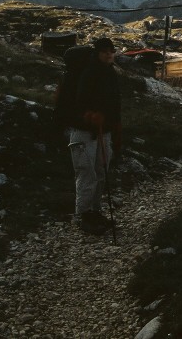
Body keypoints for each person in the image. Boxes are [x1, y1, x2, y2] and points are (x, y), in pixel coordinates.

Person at [67, 37, 122, 235]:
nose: (109, 54)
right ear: (97, 53)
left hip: (103, 131)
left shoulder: (110, 73)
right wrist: (91, 115)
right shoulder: (89, 73)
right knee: (87, 172)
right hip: (85, 131)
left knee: (100, 171)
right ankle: (83, 215)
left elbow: (114, 103)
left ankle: (95, 211)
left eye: (111, 51)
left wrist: (114, 125)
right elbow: (80, 101)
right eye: (105, 51)